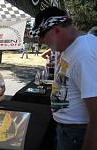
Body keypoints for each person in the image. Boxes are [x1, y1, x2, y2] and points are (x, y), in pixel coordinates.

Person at [31, 7, 97, 150]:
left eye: (43, 37)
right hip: (69, 131)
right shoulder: (71, 47)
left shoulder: (84, 54)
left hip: (78, 133)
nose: (41, 42)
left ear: (57, 30)